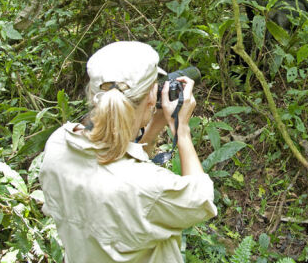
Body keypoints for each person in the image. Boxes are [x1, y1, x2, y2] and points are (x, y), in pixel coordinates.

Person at [39, 41, 217, 263]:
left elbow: (115, 156)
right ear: (152, 98)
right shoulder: (148, 188)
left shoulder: (57, 145)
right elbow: (202, 200)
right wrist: (181, 130)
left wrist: (152, 130)